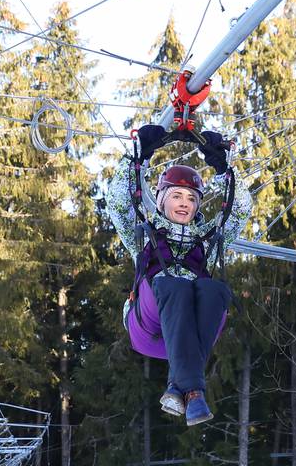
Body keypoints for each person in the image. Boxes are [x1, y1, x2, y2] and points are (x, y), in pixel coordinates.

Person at [105, 124, 252, 426]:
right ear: (161, 200)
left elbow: (240, 209)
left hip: (189, 331)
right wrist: (139, 155)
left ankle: (179, 387)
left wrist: (223, 166)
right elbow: (118, 199)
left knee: (216, 290)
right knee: (176, 287)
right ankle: (194, 391)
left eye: (191, 198)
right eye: (177, 196)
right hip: (148, 322)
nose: (184, 203)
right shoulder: (145, 232)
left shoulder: (205, 237)